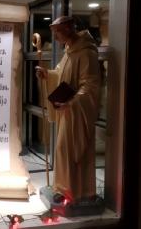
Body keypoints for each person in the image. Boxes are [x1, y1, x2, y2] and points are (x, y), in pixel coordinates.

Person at [36, 16, 101, 203]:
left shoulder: (86, 52)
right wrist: (48, 74)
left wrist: (71, 103)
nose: (55, 37)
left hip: (78, 112)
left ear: (69, 29)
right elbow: (61, 74)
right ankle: (64, 189)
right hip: (68, 112)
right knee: (63, 150)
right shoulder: (70, 51)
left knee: (72, 151)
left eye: (58, 32)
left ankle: (79, 192)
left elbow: (90, 85)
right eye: (54, 33)